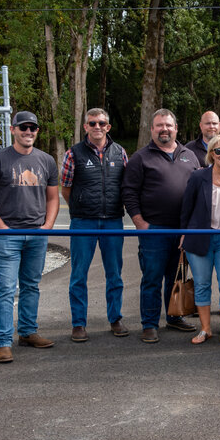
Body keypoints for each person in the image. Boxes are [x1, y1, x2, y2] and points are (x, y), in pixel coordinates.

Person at [0, 111, 59, 363]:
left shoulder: (46, 161)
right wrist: (0, 226)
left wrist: (47, 226)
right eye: (23, 127)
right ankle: (2, 342)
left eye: (33, 128)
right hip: (7, 236)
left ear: (37, 131)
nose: (28, 132)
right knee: (5, 289)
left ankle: (28, 332)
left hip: (36, 234)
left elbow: (53, 197)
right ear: (13, 130)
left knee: (31, 285)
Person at [121, 108, 200, 343]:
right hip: (154, 229)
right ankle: (149, 324)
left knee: (175, 277)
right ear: (152, 129)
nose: (164, 129)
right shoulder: (141, 158)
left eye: (168, 125)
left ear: (176, 129)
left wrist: (192, 227)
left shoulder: (189, 155)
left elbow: (199, 191)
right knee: (152, 278)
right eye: (159, 125)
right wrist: (139, 222)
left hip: (182, 230)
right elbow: (129, 192)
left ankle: (174, 317)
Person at [61, 108, 129, 343]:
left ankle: (116, 319)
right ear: (85, 127)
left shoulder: (120, 152)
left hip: (112, 220)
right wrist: (81, 206)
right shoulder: (73, 154)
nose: (97, 126)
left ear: (108, 126)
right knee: (78, 275)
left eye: (102, 123)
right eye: (92, 123)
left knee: (115, 274)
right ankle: (78, 323)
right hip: (83, 221)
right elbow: (66, 188)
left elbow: (125, 185)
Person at [180, 133, 220, 347]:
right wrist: (183, 234)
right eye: (218, 150)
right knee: (202, 284)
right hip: (199, 240)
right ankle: (205, 329)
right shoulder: (199, 177)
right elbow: (186, 208)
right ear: (211, 153)